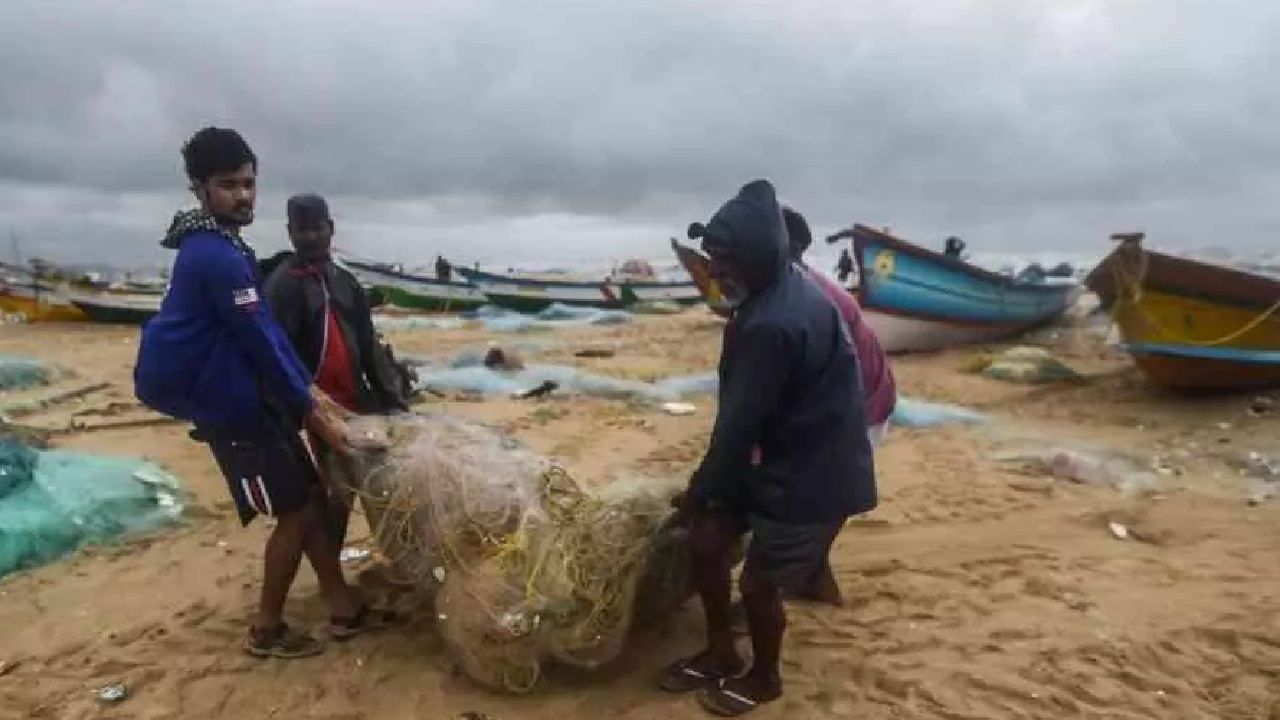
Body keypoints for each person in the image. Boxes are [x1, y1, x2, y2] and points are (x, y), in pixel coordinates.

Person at [133, 127, 391, 660]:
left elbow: (269, 334)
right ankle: (268, 629)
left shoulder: (227, 245)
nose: (244, 195)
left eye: (250, 183)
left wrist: (316, 401)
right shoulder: (215, 256)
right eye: (229, 185)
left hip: (256, 399)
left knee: (311, 501)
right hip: (234, 408)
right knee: (296, 513)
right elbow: (261, 341)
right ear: (198, 188)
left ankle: (341, 607)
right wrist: (318, 418)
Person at [660, 180, 876, 716]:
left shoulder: (774, 323)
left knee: (758, 585)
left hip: (814, 472)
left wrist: (696, 492)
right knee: (706, 541)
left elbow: (735, 429)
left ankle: (764, 676)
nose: (715, 272)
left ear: (758, 258)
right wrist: (706, 503)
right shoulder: (770, 292)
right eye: (712, 260)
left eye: (725, 262)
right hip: (776, 453)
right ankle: (719, 651)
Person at [264, 193, 409, 548]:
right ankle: (331, 576)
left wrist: (392, 401)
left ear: (330, 229)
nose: (310, 237)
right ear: (289, 233)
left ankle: (344, 563)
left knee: (355, 487)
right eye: (302, 230)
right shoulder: (281, 286)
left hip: (351, 404)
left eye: (317, 228)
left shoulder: (346, 283)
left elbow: (369, 345)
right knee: (321, 495)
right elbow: (273, 356)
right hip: (308, 410)